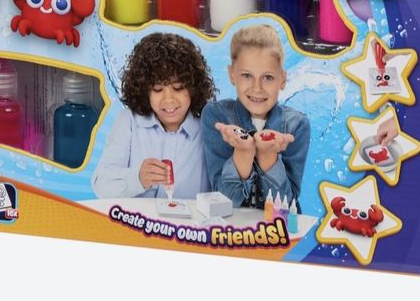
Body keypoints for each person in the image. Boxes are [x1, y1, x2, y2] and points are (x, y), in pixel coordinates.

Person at [92, 33, 216, 199]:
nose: (168, 99)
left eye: (178, 88)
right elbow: (101, 184)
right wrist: (137, 178)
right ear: (145, 90)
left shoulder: (207, 129)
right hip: (137, 216)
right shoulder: (129, 122)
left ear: (193, 88)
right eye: (158, 89)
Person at [202, 24, 310, 208]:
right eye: (247, 75)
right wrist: (244, 152)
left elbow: (286, 205)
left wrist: (267, 154)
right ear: (232, 74)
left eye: (268, 77)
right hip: (231, 226)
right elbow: (224, 201)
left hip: (276, 227)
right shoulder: (216, 116)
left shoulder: (296, 125)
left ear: (282, 80)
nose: (257, 88)